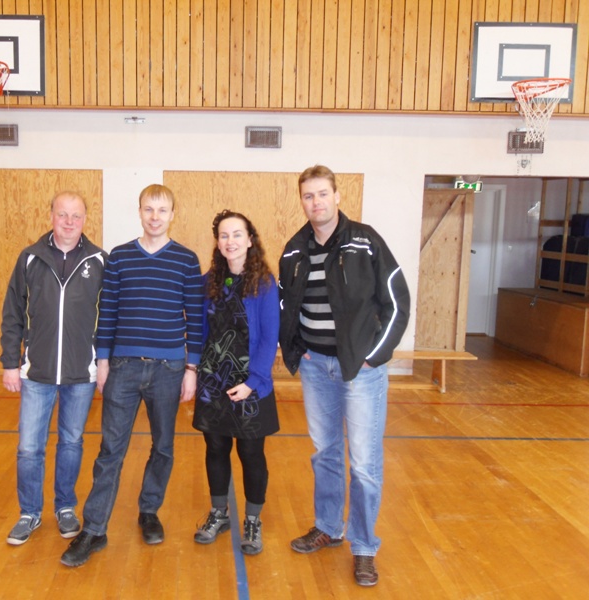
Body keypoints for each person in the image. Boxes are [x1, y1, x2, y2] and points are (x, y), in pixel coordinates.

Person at [278, 165, 410, 587]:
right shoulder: (293, 251)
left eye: (322, 194)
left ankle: (364, 546)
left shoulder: (366, 242)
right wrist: (294, 348)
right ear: (302, 201)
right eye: (308, 196)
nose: (315, 202)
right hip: (316, 368)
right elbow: (284, 306)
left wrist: (375, 356)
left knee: (365, 463)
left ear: (337, 196)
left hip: (361, 370)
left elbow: (397, 302)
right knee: (326, 453)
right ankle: (329, 527)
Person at [60, 184, 204, 567]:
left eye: (162, 210)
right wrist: (103, 361)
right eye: (148, 209)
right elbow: (107, 312)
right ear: (139, 212)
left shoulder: (187, 260)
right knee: (111, 451)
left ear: (173, 214)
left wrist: (192, 368)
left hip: (169, 370)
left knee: (163, 447)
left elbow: (196, 319)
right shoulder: (120, 257)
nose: (155, 217)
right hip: (122, 368)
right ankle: (94, 529)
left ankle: (149, 511)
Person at [0, 191, 107, 546]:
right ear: (51, 216)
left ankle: (65, 507)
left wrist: (103, 362)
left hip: (81, 373)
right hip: (37, 372)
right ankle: (29, 513)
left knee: (71, 443)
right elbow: (12, 313)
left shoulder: (99, 261)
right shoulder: (30, 258)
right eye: (63, 214)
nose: (69, 222)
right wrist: (10, 363)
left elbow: (109, 318)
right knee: (29, 447)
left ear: (85, 220)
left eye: (76, 216)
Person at [192, 210, 280, 556]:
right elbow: (201, 331)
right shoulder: (208, 282)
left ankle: (253, 520)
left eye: (237, 234)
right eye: (224, 236)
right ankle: (219, 513)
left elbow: (269, 337)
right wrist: (196, 372)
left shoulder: (265, 283)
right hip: (213, 383)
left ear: (250, 239)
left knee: (251, 453)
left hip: (250, 385)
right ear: (217, 243)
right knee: (215, 449)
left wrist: (253, 382)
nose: (230, 241)